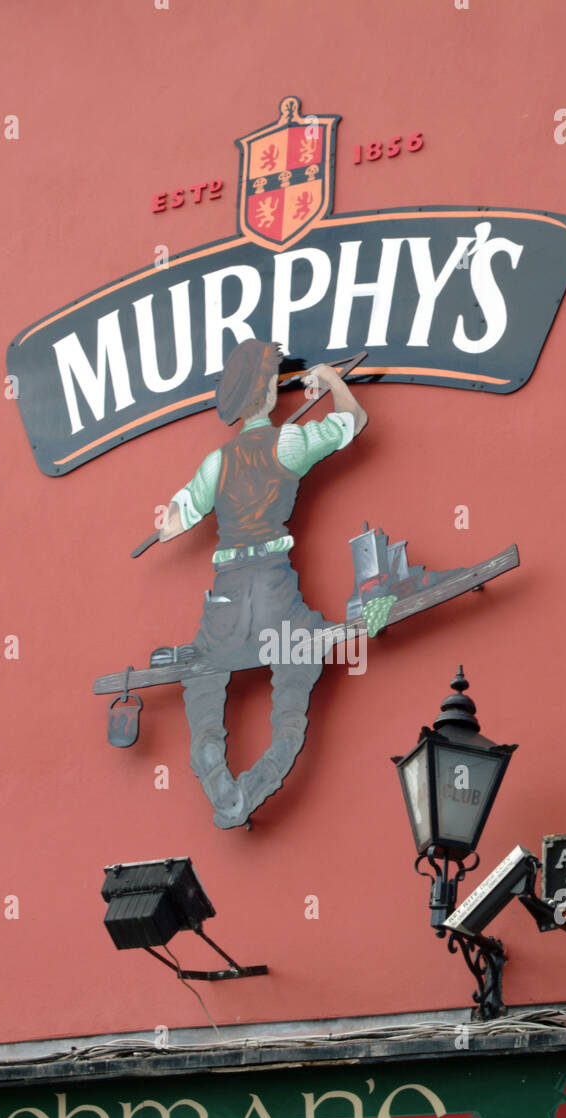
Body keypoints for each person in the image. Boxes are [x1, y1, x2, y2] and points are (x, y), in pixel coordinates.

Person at [157, 338, 368, 828]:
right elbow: (352, 423)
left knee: (203, 672)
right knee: (297, 670)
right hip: (274, 588)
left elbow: (173, 519)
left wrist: (167, 524)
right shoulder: (288, 444)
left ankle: (210, 753)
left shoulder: (217, 463)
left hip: (227, 594)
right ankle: (263, 774)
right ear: (269, 392)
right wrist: (334, 381)